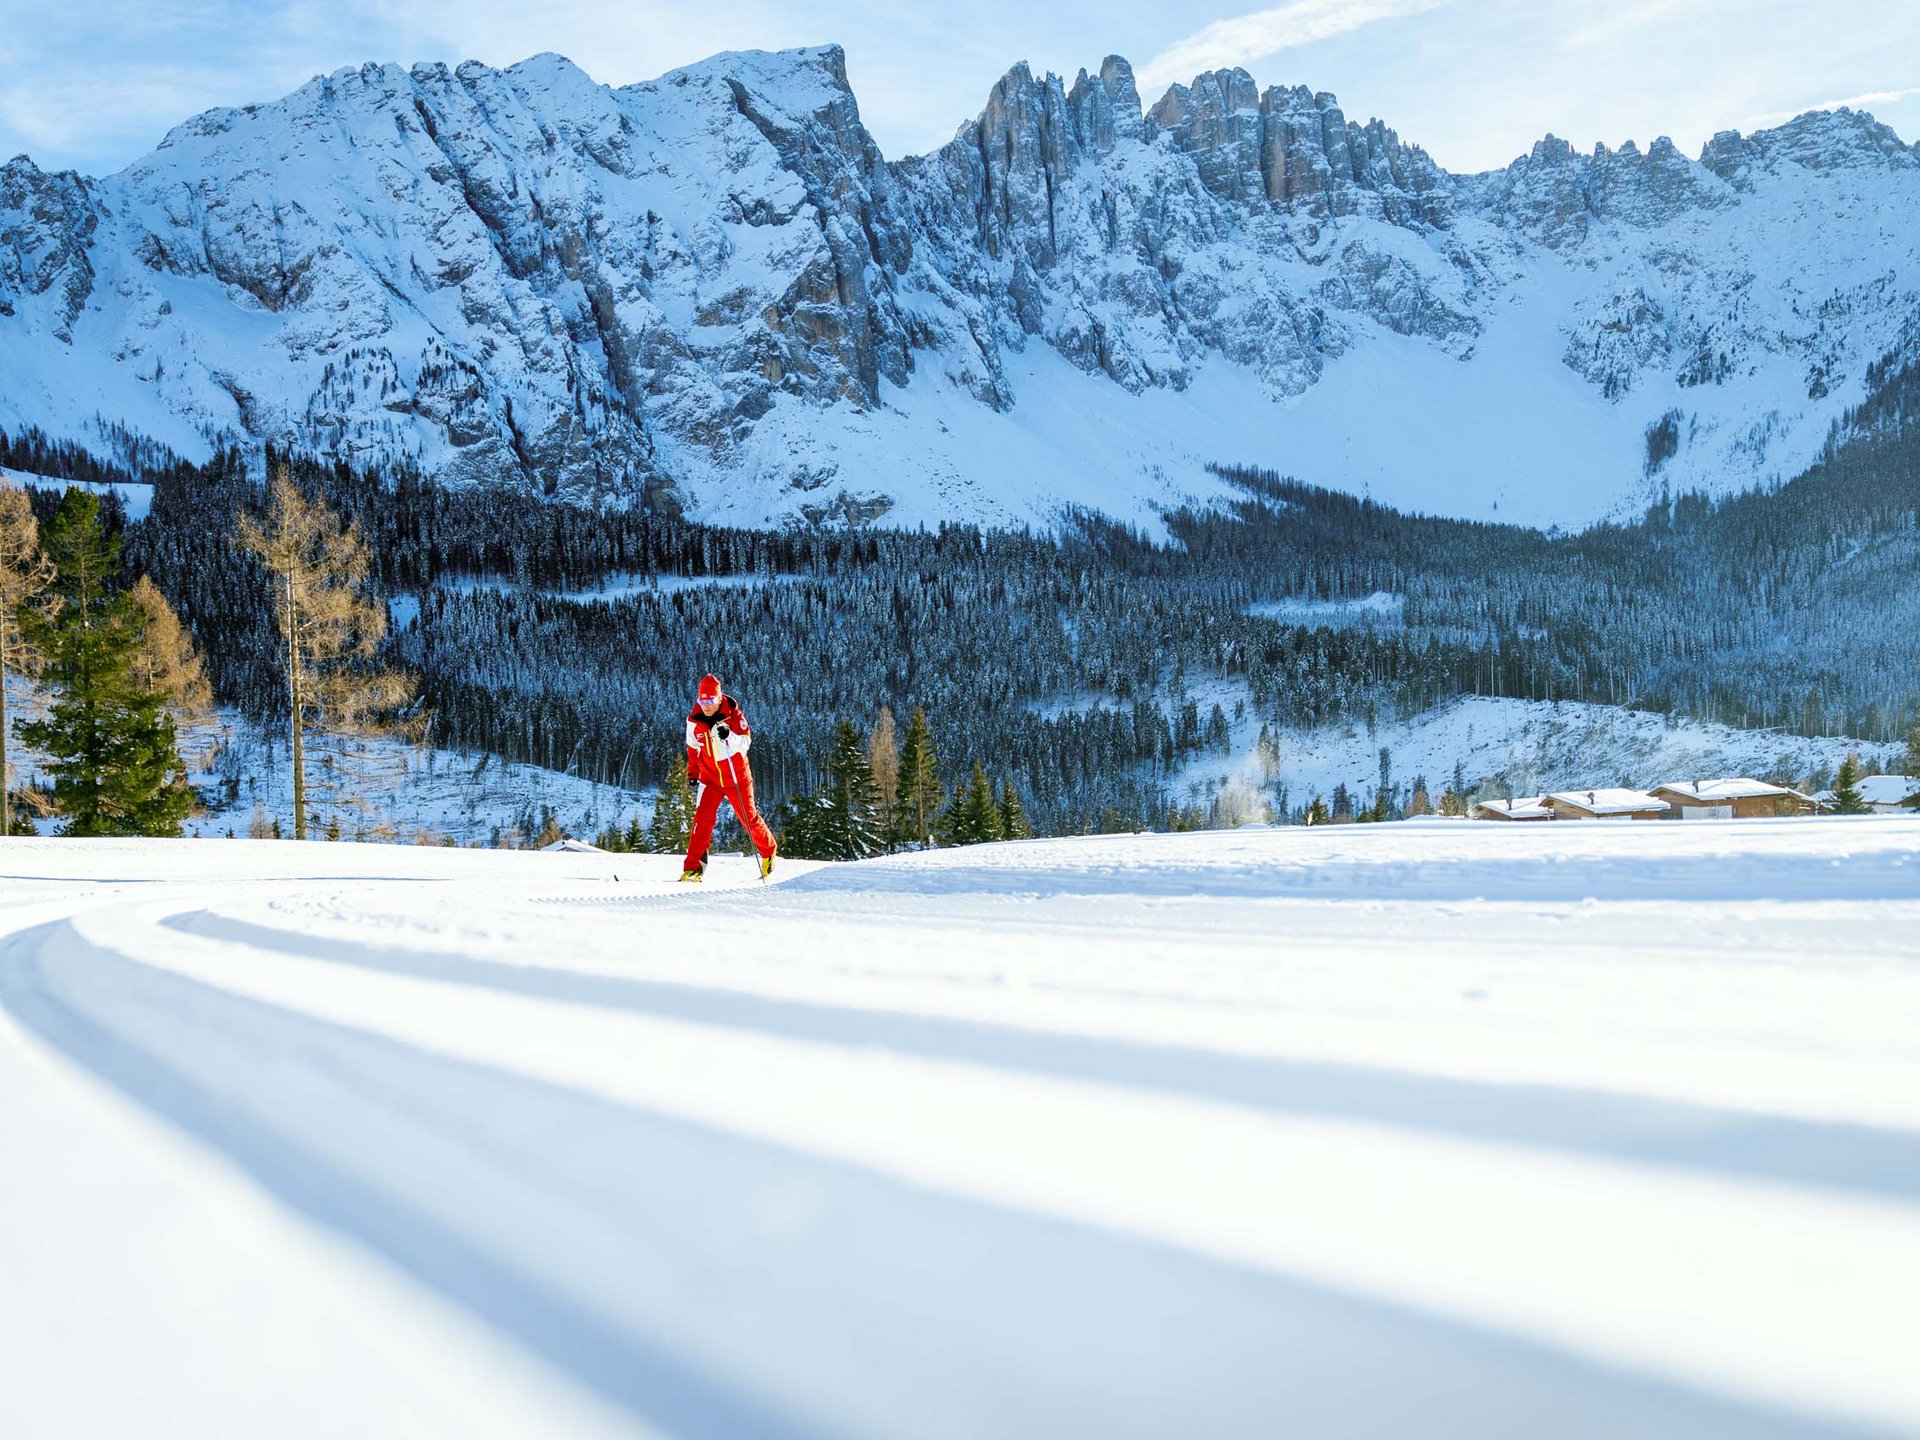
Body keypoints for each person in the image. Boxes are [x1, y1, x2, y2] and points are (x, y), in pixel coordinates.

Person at [680, 673, 777, 882]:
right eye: (702, 701)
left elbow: (745, 743)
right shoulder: (693, 720)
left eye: (710, 701)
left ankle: (768, 851)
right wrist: (693, 773)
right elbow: (692, 747)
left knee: (748, 818)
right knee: (701, 821)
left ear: (718, 698)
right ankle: (693, 869)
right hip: (710, 779)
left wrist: (729, 736)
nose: (706, 706)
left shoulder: (733, 715)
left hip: (736, 777)